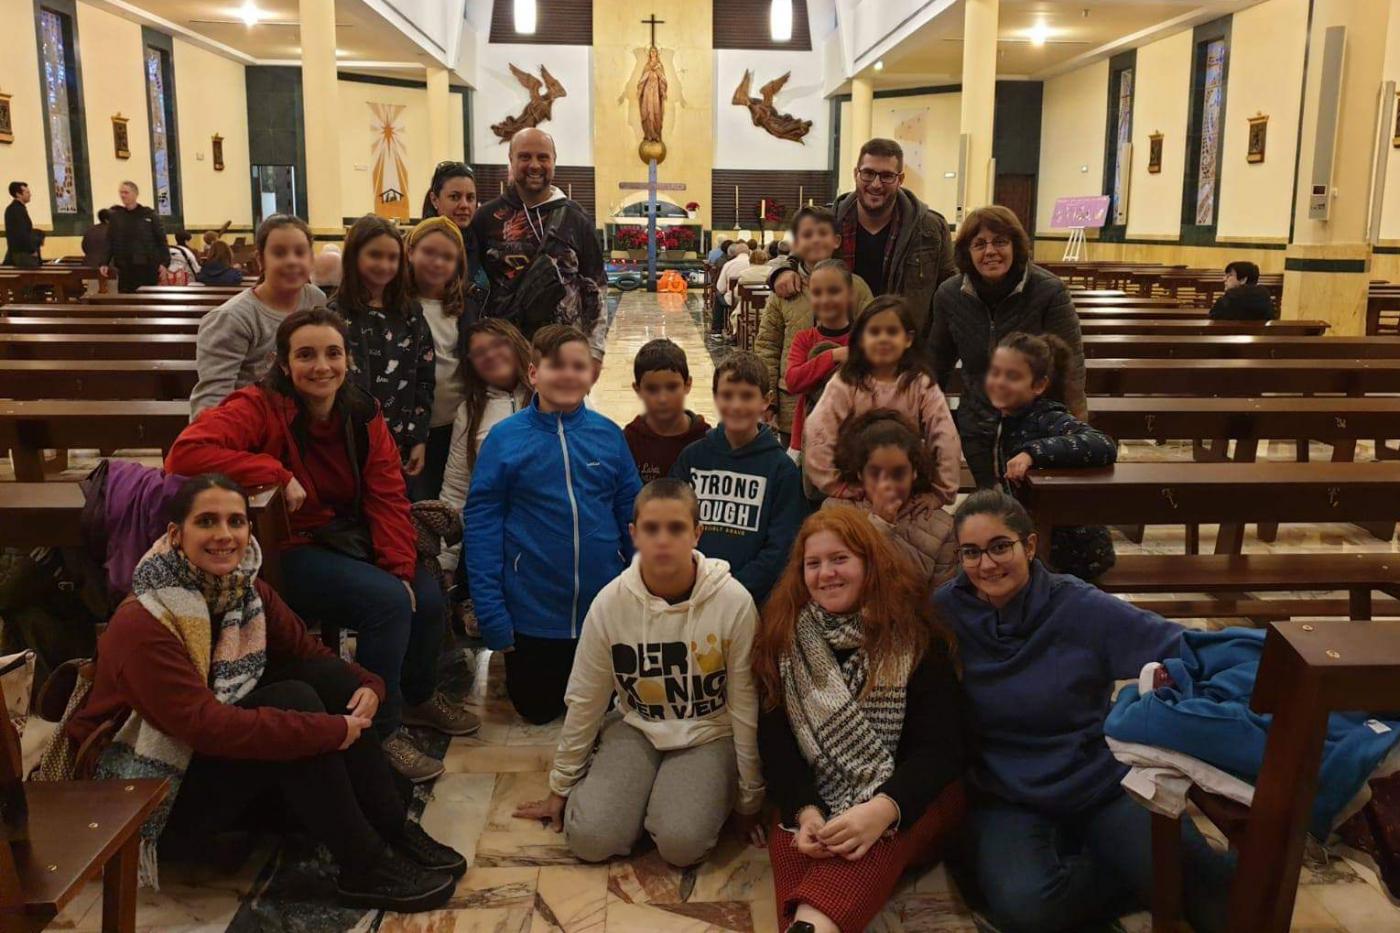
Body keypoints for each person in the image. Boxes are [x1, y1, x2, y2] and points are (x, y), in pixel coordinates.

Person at [64, 474, 465, 911]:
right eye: (207, 522)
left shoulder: (246, 591)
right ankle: (363, 864)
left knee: (329, 684)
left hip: (202, 763)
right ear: (176, 535)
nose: (224, 535)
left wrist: (369, 685)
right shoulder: (145, 621)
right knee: (295, 704)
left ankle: (390, 826)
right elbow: (205, 725)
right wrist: (325, 731)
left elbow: (311, 653)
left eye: (236, 521)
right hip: (147, 792)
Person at [167, 308, 476, 783]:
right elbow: (185, 454)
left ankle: (416, 697)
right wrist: (275, 472)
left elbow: (387, 492)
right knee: (389, 604)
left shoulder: (361, 411)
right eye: (306, 355)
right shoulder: (258, 406)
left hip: (349, 533)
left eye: (333, 353)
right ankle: (382, 731)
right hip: (292, 546)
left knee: (426, 593)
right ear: (284, 363)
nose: (321, 366)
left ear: (347, 359)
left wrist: (398, 565)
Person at [935, 490, 1232, 933]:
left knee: (1205, 895)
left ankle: (1147, 866)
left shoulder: (1078, 605)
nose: (987, 564)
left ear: (1029, 546)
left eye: (1000, 546)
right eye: (971, 553)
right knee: (1026, 909)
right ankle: (1124, 870)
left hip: (1097, 780)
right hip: (1007, 792)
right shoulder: (946, 610)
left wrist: (1265, 668)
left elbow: (1183, 648)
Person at [513, 479, 764, 865]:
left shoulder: (734, 602)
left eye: (676, 528)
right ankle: (633, 800)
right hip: (637, 725)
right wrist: (560, 786)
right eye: (651, 528)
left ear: (697, 533)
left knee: (683, 845)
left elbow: (745, 703)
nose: (663, 540)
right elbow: (586, 698)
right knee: (590, 839)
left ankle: (670, 804)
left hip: (708, 731)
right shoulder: (611, 603)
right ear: (634, 534)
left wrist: (750, 798)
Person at [754, 507, 965, 933]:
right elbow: (776, 745)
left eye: (840, 559)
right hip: (818, 793)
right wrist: (807, 812)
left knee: (867, 845)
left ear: (869, 563)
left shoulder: (913, 634)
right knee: (800, 840)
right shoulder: (785, 637)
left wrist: (882, 809)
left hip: (912, 798)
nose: (825, 573)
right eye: (813, 564)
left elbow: (942, 750)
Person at [465, 324, 642, 724]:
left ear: (590, 374)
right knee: (538, 711)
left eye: (578, 366)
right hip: (533, 613)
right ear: (533, 374)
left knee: (603, 712)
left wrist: (641, 590)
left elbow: (633, 514)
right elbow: (482, 527)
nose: (567, 375)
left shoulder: (609, 436)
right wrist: (492, 614)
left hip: (601, 610)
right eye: (556, 365)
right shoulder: (505, 439)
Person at [928, 205, 1086, 489]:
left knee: (1031, 504)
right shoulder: (949, 295)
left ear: (1016, 245)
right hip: (977, 420)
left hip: (1036, 421)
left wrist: (1072, 425)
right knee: (993, 499)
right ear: (967, 252)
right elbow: (937, 361)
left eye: (1000, 242)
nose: (990, 251)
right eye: (979, 244)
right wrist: (922, 416)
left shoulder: (1048, 290)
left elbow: (1069, 364)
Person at [770, 139, 956, 342]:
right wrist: (784, 269)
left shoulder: (931, 228)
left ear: (900, 179)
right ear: (856, 174)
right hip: (841, 347)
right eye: (868, 173)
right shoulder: (831, 221)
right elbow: (802, 251)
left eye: (886, 176)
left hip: (904, 347)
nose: (876, 184)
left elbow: (949, 293)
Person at [670, 352, 805, 606]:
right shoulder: (692, 458)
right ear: (715, 397)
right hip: (692, 594)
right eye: (727, 395)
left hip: (750, 601)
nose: (736, 405)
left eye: (746, 396)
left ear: (766, 401)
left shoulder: (781, 469)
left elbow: (782, 547)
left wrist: (732, 591)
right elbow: (672, 523)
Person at [803, 296, 961, 506]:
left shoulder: (920, 384)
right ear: (860, 339)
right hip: (857, 488)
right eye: (874, 332)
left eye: (892, 332)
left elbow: (945, 436)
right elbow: (818, 430)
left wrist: (941, 492)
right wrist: (834, 484)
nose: (883, 339)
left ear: (908, 338)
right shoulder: (846, 383)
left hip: (908, 492)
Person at [471, 128, 607, 369]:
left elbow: (596, 287)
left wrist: (595, 353)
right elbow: (473, 285)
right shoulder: (486, 218)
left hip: (563, 356)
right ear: (511, 161)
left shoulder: (577, 219)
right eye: (525, 157)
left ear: (554, 162)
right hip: (503, 355)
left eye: (543, 157)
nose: (534, 165)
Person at [989, 332, 1117, 581]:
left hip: (1072, 555)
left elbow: (1102, 444)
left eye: (1012, 376)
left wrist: (1032, 453)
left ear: (1038, 386)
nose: (999, 383)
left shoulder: (1047, 417)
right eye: (995, 373)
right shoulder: (1008, 416)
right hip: (1040, 541)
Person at [756, 207, 874, 447]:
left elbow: (872, 337)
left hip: (846, 402)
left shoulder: (857, 286)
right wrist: (769, 400)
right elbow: (768, 344)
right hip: (793, 399)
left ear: (837, 240)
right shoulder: (783, 289)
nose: (815, 240)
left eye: (823, 233)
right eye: (807, 234)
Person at [190, 214, 326, 417]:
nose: (291, 261)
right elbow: (212, 401)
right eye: (279, 253)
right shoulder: (231, 318)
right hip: (252, 423)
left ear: (311, 259)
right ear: (261, 259)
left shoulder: (315, 299)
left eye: (300, 252)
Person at [329, 215, 434, 475]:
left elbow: (425, 377)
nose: (385, 265)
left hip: (400, 441)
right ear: (354, 257)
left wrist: (418, 437)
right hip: (349, 441)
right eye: (375, 255)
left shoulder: (411, 314)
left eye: (392, 258)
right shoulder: (334, 315)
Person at [824, 409, 957, 587]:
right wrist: (880, 523)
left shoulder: (942, 527)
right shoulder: (834, 513)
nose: (887, 484)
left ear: (914, 473)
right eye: (875, 473)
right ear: (860, 474)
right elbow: (836, 584)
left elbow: (943, 601)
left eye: (899, 473)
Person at [407, 216, 478, 500]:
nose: (437, 263)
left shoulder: (464, 307)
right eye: (429, 253)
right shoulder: (398, 306)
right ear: (410, 252)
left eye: (447, 257)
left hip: (455, 423)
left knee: (449, 497)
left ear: (458, 264)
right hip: (412, 427)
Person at [784, 259, 860, 457]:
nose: (825, 299)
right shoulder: (804, 339)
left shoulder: (863, 339)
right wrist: (833, 355)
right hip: (808, 436)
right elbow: (793, 381)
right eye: (817, 293)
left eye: (834, 291)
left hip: (853, 437)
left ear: (850, 295)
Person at [624, 338, 709, 484]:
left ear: (687, 384)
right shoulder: (628, 441)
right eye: (652, 389)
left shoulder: (706, 440)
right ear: (637, 389)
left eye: (672, 387)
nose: (663, 399)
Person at [100, 181, 168, 293]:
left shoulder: (149, 215)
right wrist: (104, 262)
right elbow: (110, 240)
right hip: (125, 267)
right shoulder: (117, 217)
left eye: (126, 192)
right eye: (121, 192)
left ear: (135, 194)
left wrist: (164, 263)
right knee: (126, 302)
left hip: (147, 267)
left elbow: (161, 240)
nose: (123, 195)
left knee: (148, 300)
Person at [1210, 260, 1277, 321]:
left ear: (1243, 280)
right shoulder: (1266, 300)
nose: (1224, 279)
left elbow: (1212, 322)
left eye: (1229, 275)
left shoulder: (1226, 301)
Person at [711, 242, 751, 338]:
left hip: (734, 300)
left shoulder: (729, 264)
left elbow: (721, 288)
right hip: (754, 301)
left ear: (735, 253)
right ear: (749, 252)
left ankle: (717, 329)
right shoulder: (752, 264)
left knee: (718, 295)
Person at [4, 181, 43, 267]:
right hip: (23, 255)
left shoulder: (13, 209)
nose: (30, 194)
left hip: (17, 253)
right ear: (18, 194)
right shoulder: (17, 210)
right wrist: (32, 250)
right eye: (27, 192)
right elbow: (22, 233)